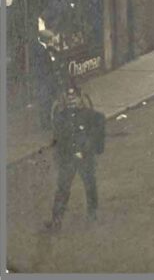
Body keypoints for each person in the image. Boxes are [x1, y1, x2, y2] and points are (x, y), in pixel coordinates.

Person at [44, 84, 104, 232]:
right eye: (69, 98)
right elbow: (59, 139)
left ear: (80, 99)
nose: (71, 101)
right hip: (68, 159)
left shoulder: (89, 115)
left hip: (85, 158)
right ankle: (56, 219)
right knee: (63, 188)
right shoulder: (61, 116)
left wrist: (86, 150)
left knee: (90, 185)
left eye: (74, 98)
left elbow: (94, 135)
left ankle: (92, 213)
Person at [32, 30, 63, 131]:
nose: (51, 41)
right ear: (46, 40)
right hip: (43, 80)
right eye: (50, 40)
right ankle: (45, 124)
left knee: (48, 100)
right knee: (45, 101)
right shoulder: (41, 50)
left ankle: (49, 121)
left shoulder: (44, 48)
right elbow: (43, 66)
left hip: (46, 79)